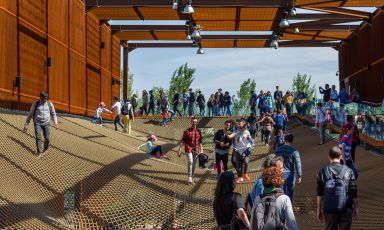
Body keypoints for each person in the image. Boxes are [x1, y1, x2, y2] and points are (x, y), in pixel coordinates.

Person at [316, 146, 358, 230]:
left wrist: (318, 210)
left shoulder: (322, 172)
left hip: (329, 210)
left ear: (329, 157)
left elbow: (319, 194)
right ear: (341, 156)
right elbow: (354, 193)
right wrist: (356, 208)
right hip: (346, 208)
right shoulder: (349, 171)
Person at [23, 91, 58, 158]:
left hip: (46, 123)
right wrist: (26, 125)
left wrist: (55, 123)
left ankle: (46, 149)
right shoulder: (36, 104)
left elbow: (53, 113)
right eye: (43, 98)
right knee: (38, 137)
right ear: (40, 97)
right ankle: (39, 152)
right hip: (37, 123)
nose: (44, 100)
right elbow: (30, 114)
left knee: (47, 138)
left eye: (46, 98)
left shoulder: (50, 104)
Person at [275, 134, 302, 203]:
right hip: (291, 175)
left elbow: (274, 162)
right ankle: (289, 208)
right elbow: (298, 163)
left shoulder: (278, 150)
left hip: (280, 173)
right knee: (290, 193)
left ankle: (281, 208)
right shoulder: (294, 151)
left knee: (280, 193)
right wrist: (299, 176)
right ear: (292, 141)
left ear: (284, 140)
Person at [177, 117, 204, 184]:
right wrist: (179, 149)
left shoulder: (199, 131)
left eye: (196, 122)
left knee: (194, 164)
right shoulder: (187, 131)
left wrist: (201, 149)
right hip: (188, 148)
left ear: (197, 123)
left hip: (196, 150)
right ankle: (189, 177)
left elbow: (200, 141)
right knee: (190, 161)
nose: (194, 123)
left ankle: (192, 177)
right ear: (191, 122)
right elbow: (183, 140)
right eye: (193, 122)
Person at [226, 118, 253, 183]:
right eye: (238, 124)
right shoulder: (235, 131)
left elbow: (251, 140)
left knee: (246, 162)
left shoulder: (246, 131)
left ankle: (245, 173)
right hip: (237, 150)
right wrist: (227, 134)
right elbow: (230, 137)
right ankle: (239, 177)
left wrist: (250, 139)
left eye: (240, 124)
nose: (239, 125)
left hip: (245, 150)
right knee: (238, 164)